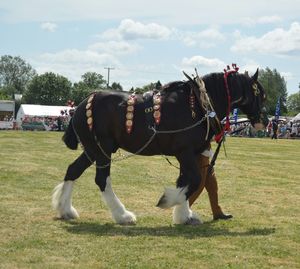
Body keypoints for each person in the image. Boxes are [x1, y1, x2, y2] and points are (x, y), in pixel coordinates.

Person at [189, 144, 232, 220]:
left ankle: (217, 212)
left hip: (205, 155)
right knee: (198, 187)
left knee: (212, 186)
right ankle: (183, 212)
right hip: (200, 155)